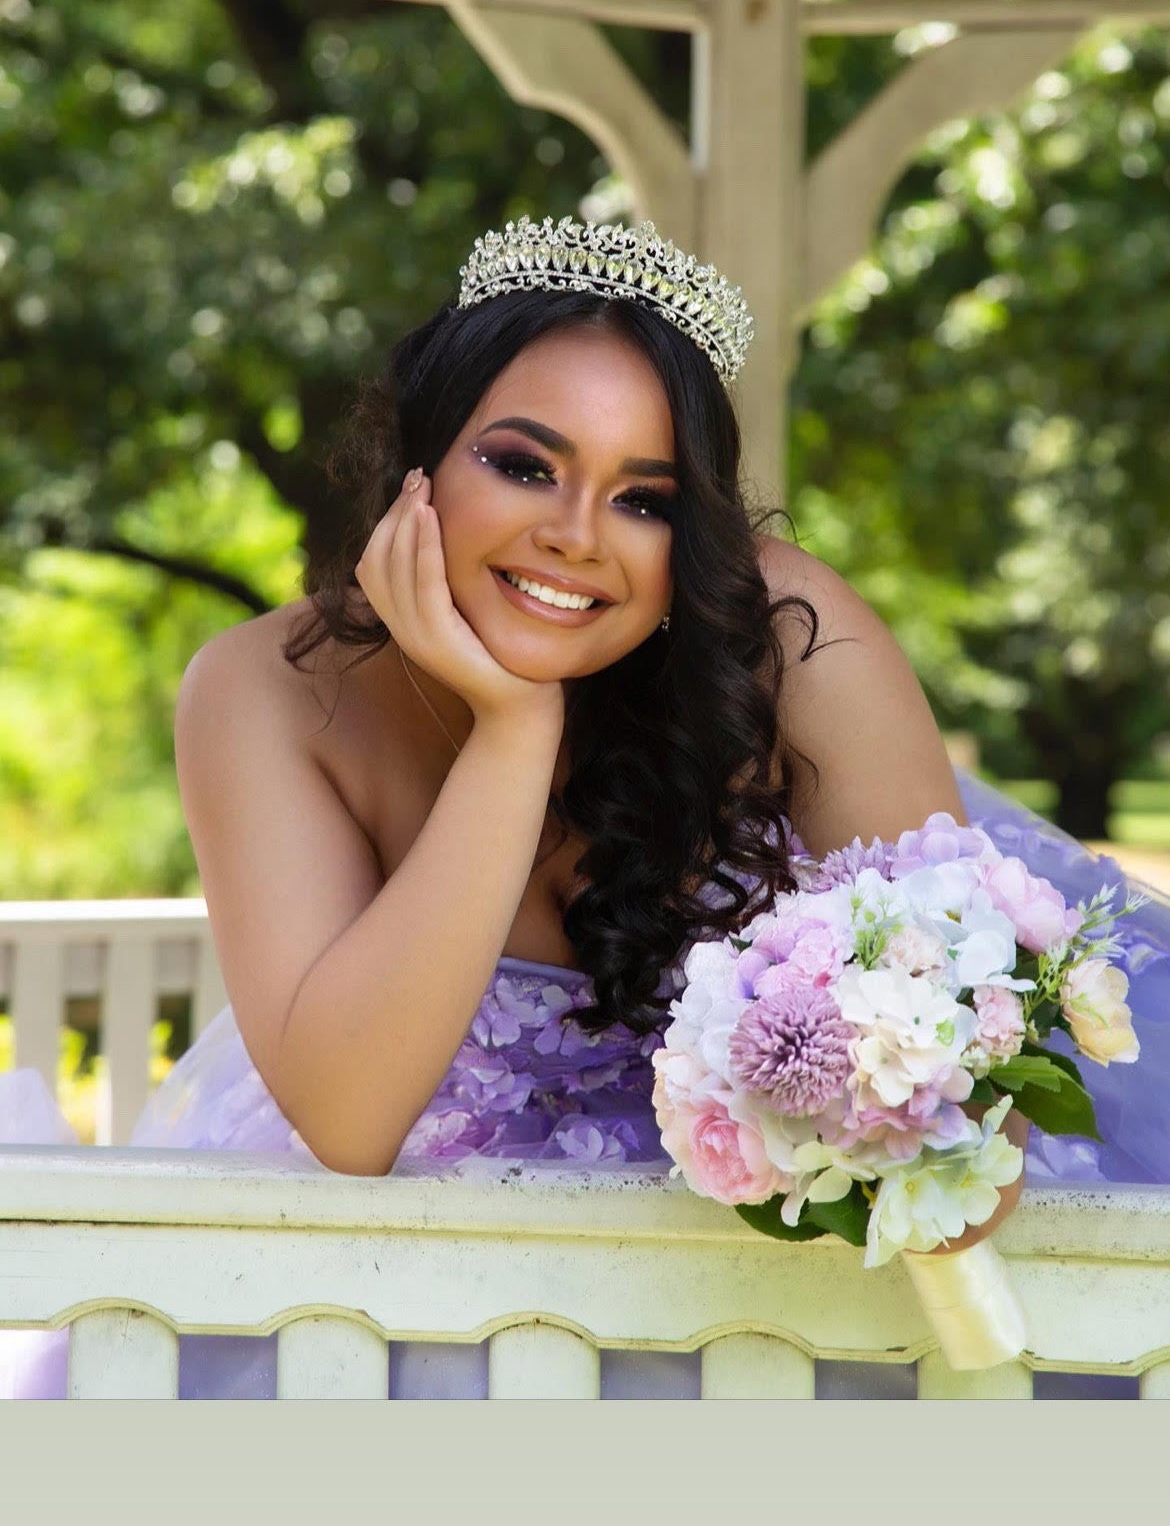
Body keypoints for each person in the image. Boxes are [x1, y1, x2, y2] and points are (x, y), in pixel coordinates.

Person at [2, 214, 1168, 1400]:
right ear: (417, 461)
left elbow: (982, 1133)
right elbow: (351, 1121)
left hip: (782, 1302)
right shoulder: (260, 689)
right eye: (522, 464)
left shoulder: (795, 641)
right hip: (421, 1300)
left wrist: (885, 1119)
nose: (573, 534)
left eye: (644, 498)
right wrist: (514, 727)